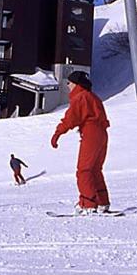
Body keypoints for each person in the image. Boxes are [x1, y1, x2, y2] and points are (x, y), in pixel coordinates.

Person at [50, 71, 111, 216]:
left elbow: (71, 118)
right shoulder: (93, 97)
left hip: (91, 133)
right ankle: (102, 202)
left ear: (76, 84)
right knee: (95, 170)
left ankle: (88, 203)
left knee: (84, 171)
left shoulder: (81, 97)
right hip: (102, 133)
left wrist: (57, 133)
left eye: (69, 83)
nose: (68, 86)